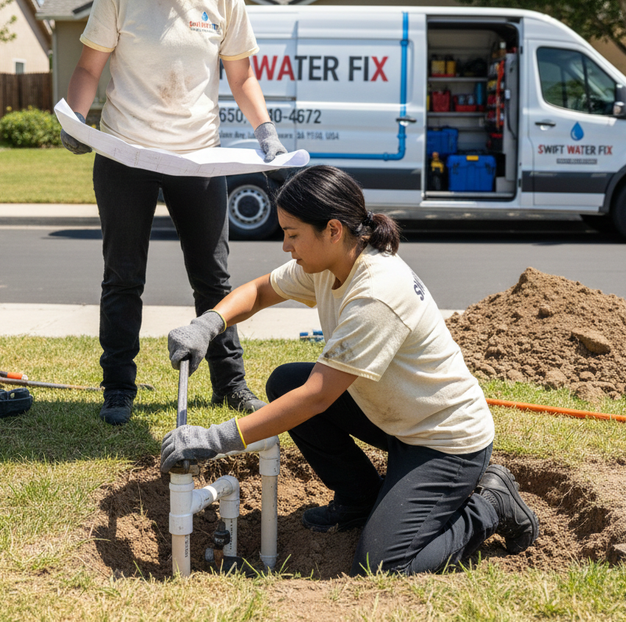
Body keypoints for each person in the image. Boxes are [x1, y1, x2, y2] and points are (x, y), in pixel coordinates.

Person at [160, 165, 539, 575]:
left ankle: (490, 505)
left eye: (292, 234)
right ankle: (359, 500)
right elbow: (259, 290)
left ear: (333, 229)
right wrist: (210, 323)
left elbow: (319, 396)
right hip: (398, 417)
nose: (285, 246)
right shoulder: (328, 263)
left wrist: (217, 439)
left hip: (445, 441)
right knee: (286, 381)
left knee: (382, 565)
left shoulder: (376, 292)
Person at [61, 0, 286, 425]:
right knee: (123, 276)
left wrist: (266, 132)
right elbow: (90, 67)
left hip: (197, 157)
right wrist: (75, 118)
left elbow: (242, 75)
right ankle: (118, 387)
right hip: (124, 153)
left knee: (213, 277)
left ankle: (230, 383)